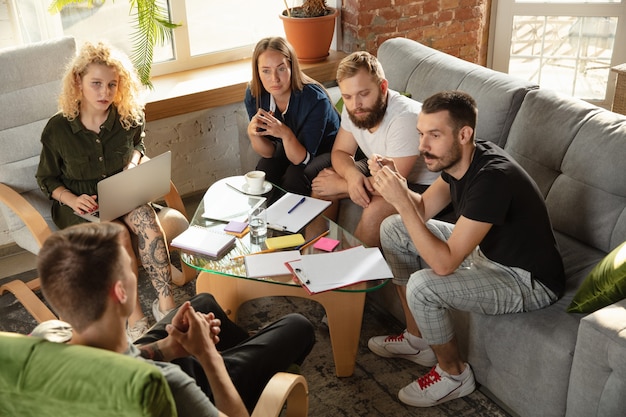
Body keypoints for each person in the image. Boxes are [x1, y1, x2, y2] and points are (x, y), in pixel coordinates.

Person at [367, 91, 565, 407]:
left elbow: (443, 265)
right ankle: (418, 340)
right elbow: (421, 210)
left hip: (527, 280)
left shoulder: (492, 179)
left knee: (423, 287)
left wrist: (400, 201)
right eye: (421, 134)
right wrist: (398, 187)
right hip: (487, 253)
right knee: (393, 227)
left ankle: (454, 374)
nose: (422, 146)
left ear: (464, 134)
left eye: (434, 135)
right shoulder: (460, 159)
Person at [36, 222, 316, 416]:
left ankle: (245, 358)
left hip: (123, 363)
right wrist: (208, 355)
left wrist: (168, 347)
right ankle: (249, 370)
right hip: (199, 387)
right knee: (298, 326)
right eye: (131, 269)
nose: (136, 274)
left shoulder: (43, 339)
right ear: (120, 292)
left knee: (202, 304)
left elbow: (122, 360)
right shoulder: (164, 385)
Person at [35, 41, 177, 338]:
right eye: (96, 84)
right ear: (78, 82)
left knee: (148, 222)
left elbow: (138, 144)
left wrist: (135, 162)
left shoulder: (127, 117)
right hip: (82, 207)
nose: (105, 92)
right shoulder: (58, 129)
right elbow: (47, 179)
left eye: (112, 84)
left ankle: (167, 308)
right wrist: (72, 199)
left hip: (123, 194)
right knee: (119, 235)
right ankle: (135, 318)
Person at [310, 51, 439, 247]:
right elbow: (341, 152)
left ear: (383, 87)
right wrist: (352, 176)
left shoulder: (405, 119)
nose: (356, 105)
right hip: (382, 171)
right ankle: (314, 257)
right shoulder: (352, 106)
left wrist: (343, 186)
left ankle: (353, 274)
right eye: (348, 96)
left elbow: (394, 182)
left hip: (419, 184)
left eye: (364, 94)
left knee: (375, 209)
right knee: (322, 184)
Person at [245, 37, 340, 195]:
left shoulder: (315, 100)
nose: (274, 78)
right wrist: (252, 134)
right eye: (266, 71)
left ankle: (290, 220)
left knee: (295, 176)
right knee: (264, 169)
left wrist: (285, 133)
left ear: (291, 67)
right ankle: (263, 219)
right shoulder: (254, 95)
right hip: (290, 147)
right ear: (257, 71)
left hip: (327, 150)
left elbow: (301, 159)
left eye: (281, 68)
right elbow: (269, 152)